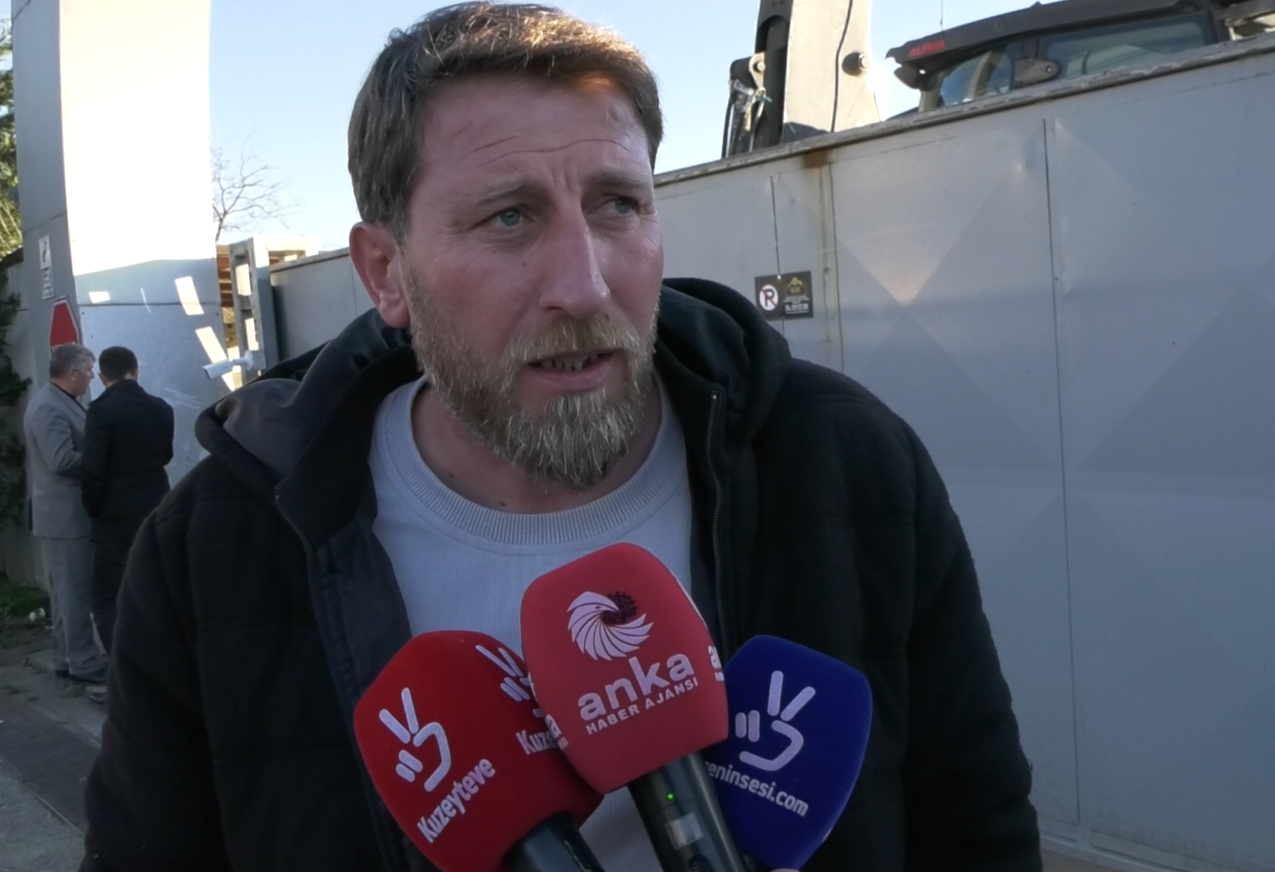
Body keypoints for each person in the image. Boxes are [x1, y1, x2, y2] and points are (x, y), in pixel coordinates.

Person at [81, 4, 1040, 871]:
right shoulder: (217, 549)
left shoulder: (846, 465)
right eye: (508, 217)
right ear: (386, 273)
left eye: (618, 204)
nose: (584, 285)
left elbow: (978, 829)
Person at [80, 346, 174, 654]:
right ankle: (161, 659)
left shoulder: (100, 411)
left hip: (115, 513)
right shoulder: (161, 408)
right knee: (155, 588)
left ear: (103, 377)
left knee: (108, 598)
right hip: (155, 505)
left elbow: (92, 468)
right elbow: (166, 455)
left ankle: (122, 667)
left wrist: (94, 508)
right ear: (135, 371)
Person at [23, 343, 104, 687]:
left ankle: (65, 657)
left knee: (64, 593)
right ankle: (83, 661)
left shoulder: (57, 401)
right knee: (74, 593)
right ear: (72, 373)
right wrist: (102, 457)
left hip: (61, 513)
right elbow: (61, 460)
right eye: (88, 371)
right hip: (64, 515)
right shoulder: (49, 407)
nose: (91, 377)